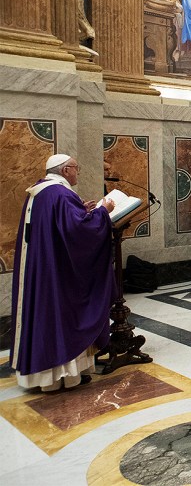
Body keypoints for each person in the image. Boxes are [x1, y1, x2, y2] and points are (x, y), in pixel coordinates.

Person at [11, 154, 116, 392]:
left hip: (45, 268)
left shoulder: (41, 192)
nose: (78, 173)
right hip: (59, 273)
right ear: (66, 170)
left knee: (47, 315)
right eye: (76, 168)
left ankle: (45, 376)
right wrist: (102, 213)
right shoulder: (60, 193)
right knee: (64, 315)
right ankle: (63, 375)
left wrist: (82, 209)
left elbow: (62, 225)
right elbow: (79, 232)